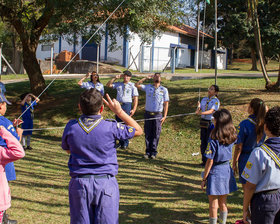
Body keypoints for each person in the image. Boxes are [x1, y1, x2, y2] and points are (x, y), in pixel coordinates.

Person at [61, 89, 142, 224]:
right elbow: (138, 130)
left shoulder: (71, 127)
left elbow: (68, 150)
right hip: (105, 183)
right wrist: (119, 112)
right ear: (102, 108)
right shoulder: (111, 127)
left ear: (79, 107)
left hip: (80, 183)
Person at [242, 106, 280, 224]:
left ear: (266, 127)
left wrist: (245, 209)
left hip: (264, 202)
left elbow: (250, 186)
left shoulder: (259, 153)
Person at [201, 109, 238, 224]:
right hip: (226, 169)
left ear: (219, 121)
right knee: (223, 202)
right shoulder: (232, 135)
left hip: (216, 171)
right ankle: (223, 222)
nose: (213, 120)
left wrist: (204, 178)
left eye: (214, 119)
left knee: (213, 204)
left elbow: (209, 161)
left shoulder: (214, 138)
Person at [232, 98, 266, 189]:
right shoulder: (264, 124)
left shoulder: (245, 124)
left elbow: (239, 146)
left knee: (247, 188)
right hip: (259, 157)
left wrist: (234, 162)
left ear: (251, 109)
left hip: (246, 158)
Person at [0, 92, 23, 224]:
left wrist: (13, 126)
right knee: (3, 188)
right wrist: (18, 133)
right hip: (4, 159)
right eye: (4, 104)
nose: (6, 107)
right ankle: (3, 218)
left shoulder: (5, 122)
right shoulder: (4, 122)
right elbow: (14, 144)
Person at [135, 73, 169, 159]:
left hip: (158, 115)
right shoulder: (148, 87)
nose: (157, 77)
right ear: (153, 78)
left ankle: (153, 152)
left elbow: (166, 104)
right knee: (148, 133)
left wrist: (165, 116)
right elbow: (137, 85)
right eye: (155, 76)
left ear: (161, 79)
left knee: (156, 133)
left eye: (158, 76)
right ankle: (147, 151)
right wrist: (145, 78)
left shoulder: (164, 90)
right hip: (148, 114)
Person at [106, 70, 139, 149]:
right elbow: (108, 85)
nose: (126, 77)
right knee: (118, 124)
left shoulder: (132, 86)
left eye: (128, 76)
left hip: (126, 105)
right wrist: (114, 78)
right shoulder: (119, 84)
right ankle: (120, 142)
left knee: (126, 124)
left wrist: (134, 109)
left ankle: (125, 142)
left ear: (130, 77)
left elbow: (135, 98)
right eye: (125, 75)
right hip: (118, 105)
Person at [196, 85, 220, 165]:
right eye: (209, 88)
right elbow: (200, 109)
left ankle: (209, 160)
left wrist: (201, 113)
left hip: (210, 123)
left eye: (212, 89)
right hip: (203, 122)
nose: (209, 90)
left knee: (209, 141)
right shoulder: (204, 99)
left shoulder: (216, 101)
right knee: (203, 140)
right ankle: (203, 160)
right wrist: (198, 107)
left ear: (216, 92)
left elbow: (211, 111)